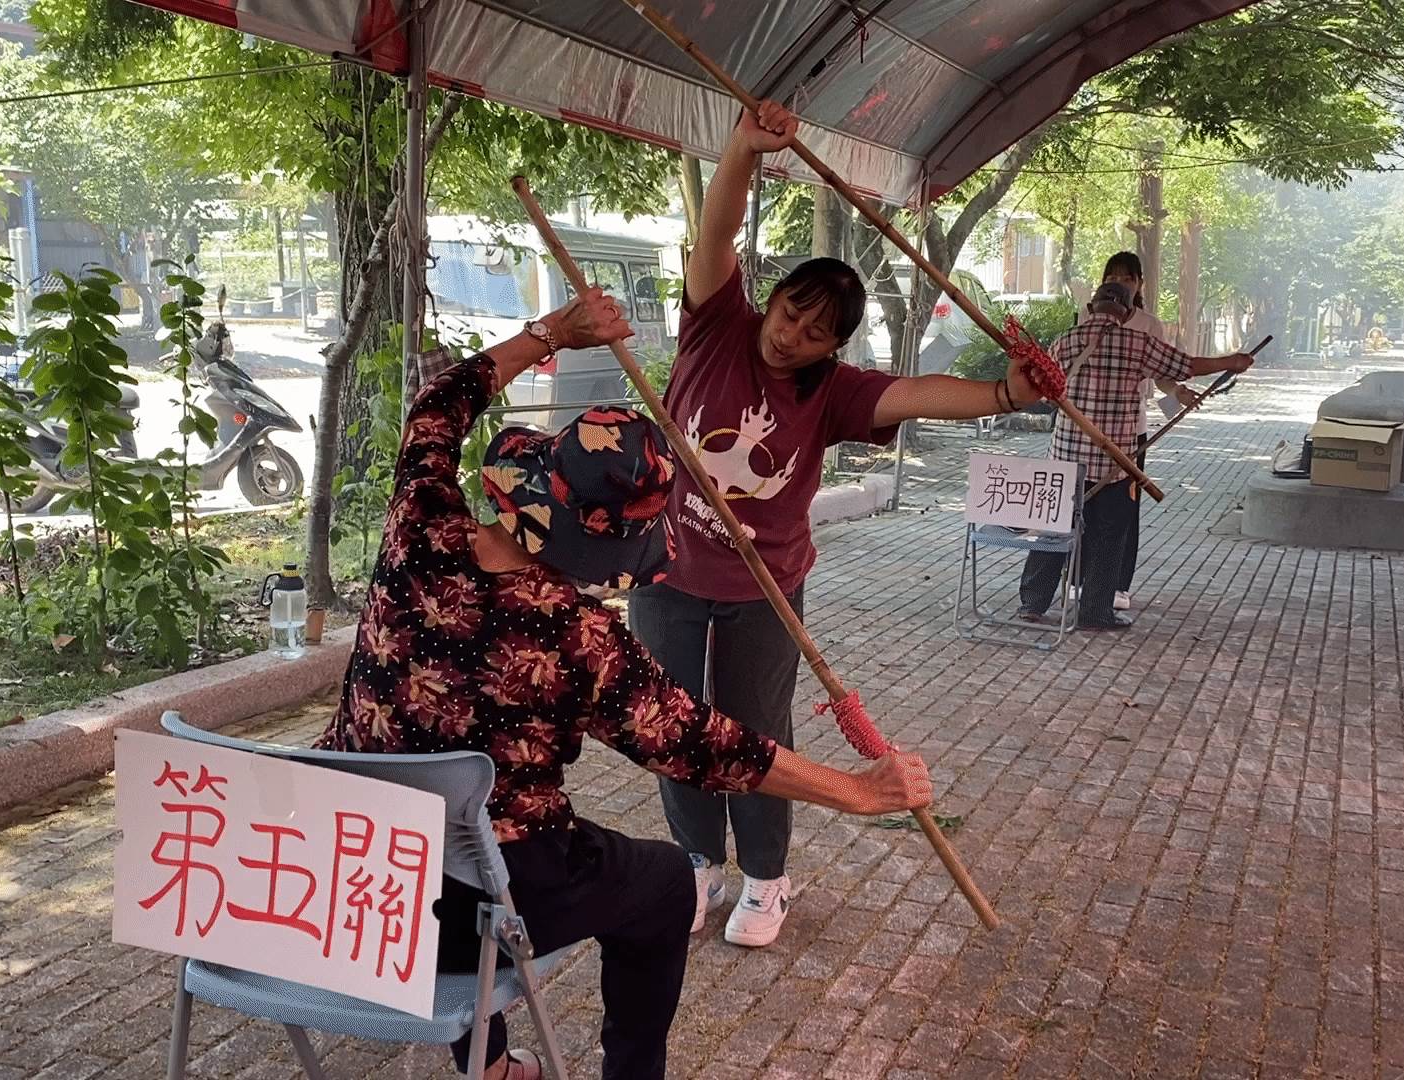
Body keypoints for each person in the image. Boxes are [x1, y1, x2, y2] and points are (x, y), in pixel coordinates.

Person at [313, 287, 933, 1080]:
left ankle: (489, 1065)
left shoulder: (420, 520)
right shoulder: (579, 635)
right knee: (667, 884)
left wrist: (552, 332)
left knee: (458, 841)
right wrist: (857, 789)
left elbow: (440, 401)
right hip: (478, 902)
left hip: (355, 858)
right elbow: (706, 746)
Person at [627, 98, 1044, 951]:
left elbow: (926, 396)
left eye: (817, 333)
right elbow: (715, 234)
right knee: (673, 722)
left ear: (833, 346)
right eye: (789, 315)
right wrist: (743, 148)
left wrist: (1008, 393)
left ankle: (767, 880)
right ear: (770, 300)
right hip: (666, 570)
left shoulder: (837, 393)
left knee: (754, 732)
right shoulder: (715, 326)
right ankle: (698, 861)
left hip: (763, 588)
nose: (792, 338)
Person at [1017, 280, 1255, 629]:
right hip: (1115, 463)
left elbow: (1041, 388)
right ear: (1128, 313)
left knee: (1053, 530)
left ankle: (1032, 605)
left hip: (1065, 457)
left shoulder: (1065, 342)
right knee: (1108, 536)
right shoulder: (1138, 343)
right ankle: (1094, 612)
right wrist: (1230, 361)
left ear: (1091, 307)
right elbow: (1185, 366)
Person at [1075, 252, 1198, 612]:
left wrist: (1177, 391)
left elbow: (1164, 372)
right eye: (1111, 276)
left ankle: (1116, 585)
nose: (1119, 283)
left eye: (1127, 278)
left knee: (1122, 509)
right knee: (1082, 504)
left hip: (1129, 432)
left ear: (1139, 284)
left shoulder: (1150, 326)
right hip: (1085, 428)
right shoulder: (1087, 316)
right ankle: (1078, 579)